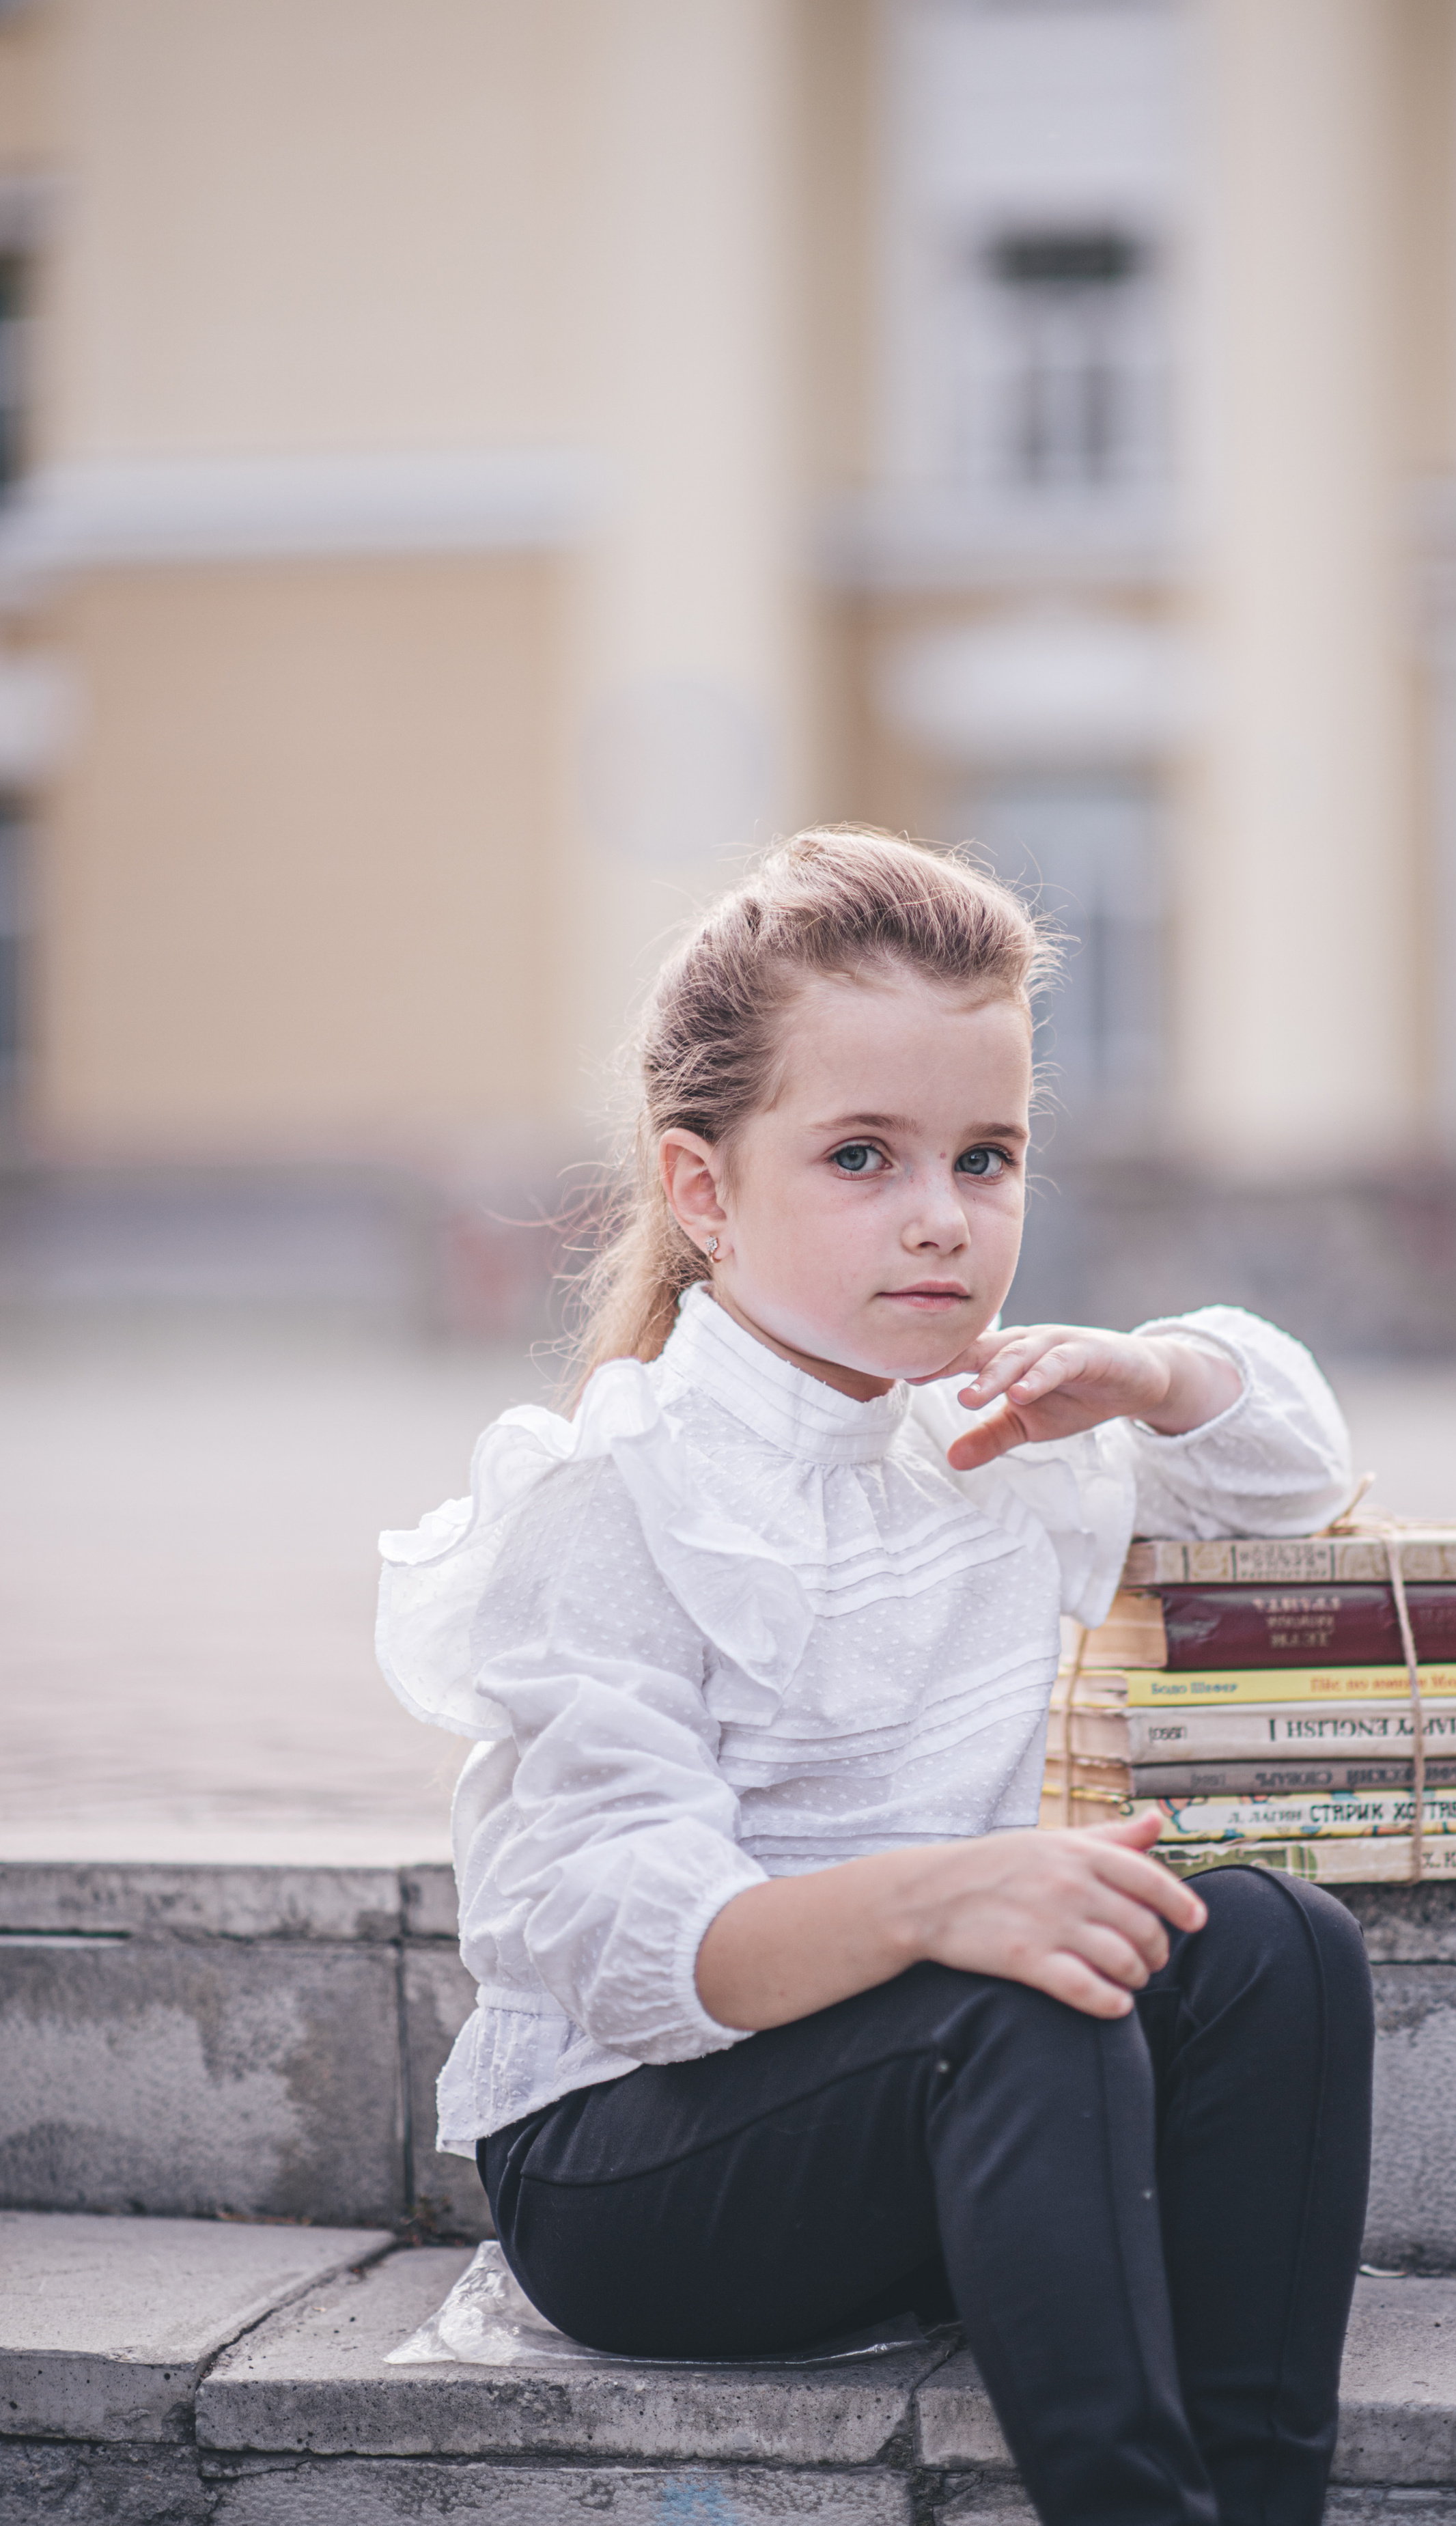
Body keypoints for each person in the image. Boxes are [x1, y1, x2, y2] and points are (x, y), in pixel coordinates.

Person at [378, 828, 1373, 2526]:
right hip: (639, 2175)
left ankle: (1261, 2496)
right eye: (861, 1157)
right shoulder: (615, 1494)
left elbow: (1286, 1474)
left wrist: (1142, 1372)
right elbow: (633, 1952)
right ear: (702, 1190)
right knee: (1013, 1999)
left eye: (985, 1158)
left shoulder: (992, 1430)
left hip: (921, 2104)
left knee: (1279, 1943)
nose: (940, 1220)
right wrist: (942, 1901)